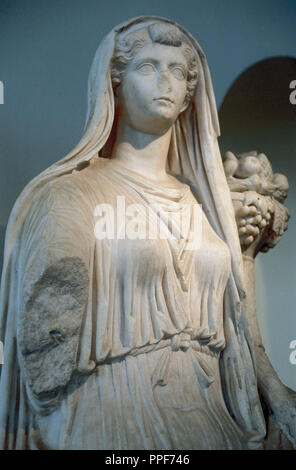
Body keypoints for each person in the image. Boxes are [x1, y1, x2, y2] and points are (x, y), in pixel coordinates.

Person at [0, 16, 266, 450]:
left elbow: (239, 338)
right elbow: (43, 349)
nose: (165, 80)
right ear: (115, 85)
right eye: (148, 67)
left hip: (212, 422)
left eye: (177, 70)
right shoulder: (70, 196)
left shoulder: (204, 207)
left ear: (187, 98)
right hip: (112, 415)